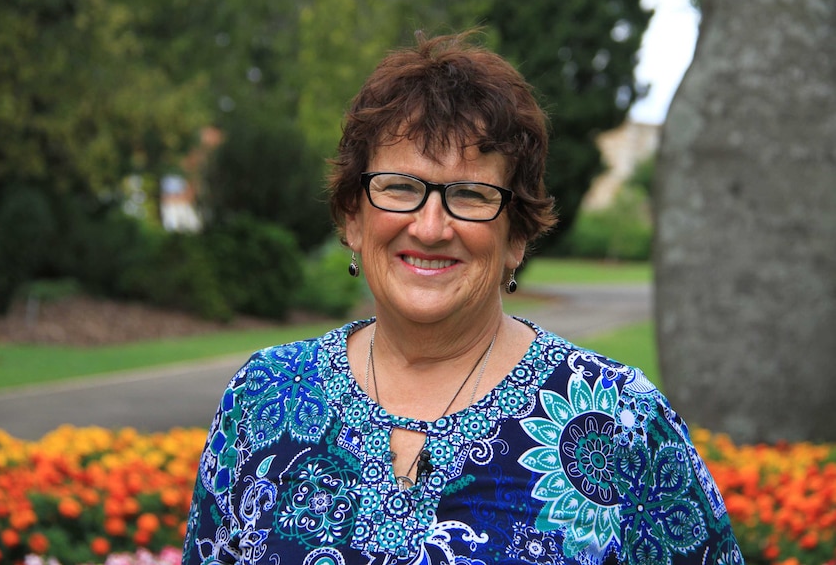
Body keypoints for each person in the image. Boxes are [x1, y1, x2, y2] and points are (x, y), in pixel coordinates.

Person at [182, 30, 744, 565]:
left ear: (516, 236)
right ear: (352, 218)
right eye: (400, 187)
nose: (429, 228)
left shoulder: (619, 420)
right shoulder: (263, 398)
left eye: (471, 195)